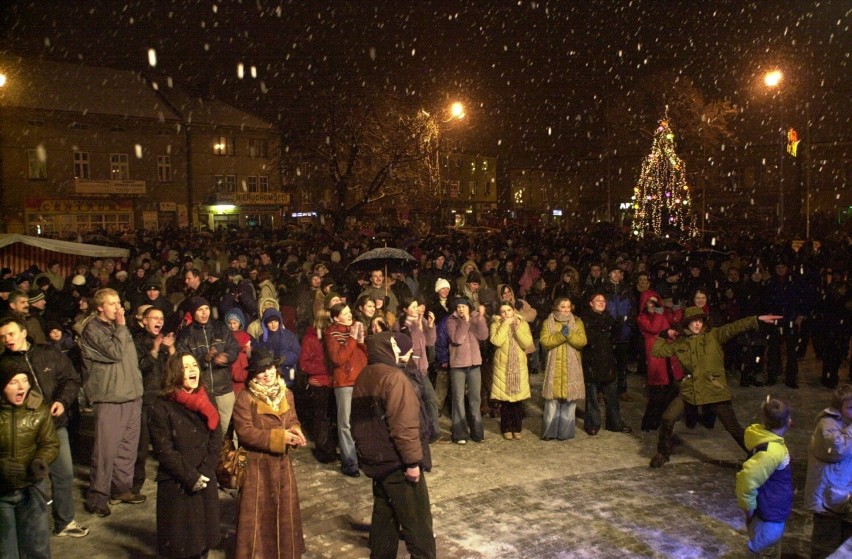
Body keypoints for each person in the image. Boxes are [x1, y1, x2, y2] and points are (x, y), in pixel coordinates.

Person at [649, 307, 782, 468]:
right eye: (694, 321)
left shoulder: (714, 335)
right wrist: (664, 335)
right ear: (687, 323)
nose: (697, 325)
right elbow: (657, 352)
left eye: (700, 321)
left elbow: (735, 327)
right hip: (691, 389)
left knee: (732, 426)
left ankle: (755, 454)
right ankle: (662, 452)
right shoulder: (681, 342)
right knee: (668, 417)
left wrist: (756, 319)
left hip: (714, 389)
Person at [0, 316, 88, 538]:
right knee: (33, 481)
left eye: (10, 334)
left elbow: (70, 378)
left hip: (55, 425)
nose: (7, 339)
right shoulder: (4, 365)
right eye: (2, 336)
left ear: (23, 332)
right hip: (25, 433)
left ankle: (65, 522)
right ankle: (33, 530)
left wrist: (62, 401)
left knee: (63, 474)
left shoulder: (47, 353)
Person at [351, 331, 436, 559]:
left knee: (384, 520)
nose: (404, 355)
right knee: (417, 525)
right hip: (398, 463)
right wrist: (412, 462)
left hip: (378, 463)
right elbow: (404, 427)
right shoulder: (394, 379)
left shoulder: (364, 376)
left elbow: (357, 424)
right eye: (399, 350)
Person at [233, 348, 307, 559]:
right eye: (261, 370)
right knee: (257, 519)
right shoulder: (246, 398)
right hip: (257, 470)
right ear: (253, 374)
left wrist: (295, 430)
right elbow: (245, 433)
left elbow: (292, 419)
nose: (267, 374)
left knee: (284, 517)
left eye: (270, 368)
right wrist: (278, 438)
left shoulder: (286, 394)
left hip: (282, 468)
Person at [147, 353, 222, 559]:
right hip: (178, 484)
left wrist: (206, 470)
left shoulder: (207, 398)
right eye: (185, 367)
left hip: (205, 480)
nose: (192, 370)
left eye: (194, 365)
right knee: (182, 546)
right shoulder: (160, 405)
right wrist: (191, 477)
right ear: (174, 373)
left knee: (203, 542)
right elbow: (164, 450)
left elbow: (216, 437)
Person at [79, 287, 145, 516]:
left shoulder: (119, 327)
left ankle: (121, 489)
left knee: (127, 448)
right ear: (100, 307)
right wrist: (121, 325)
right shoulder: (93, 330)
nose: (119, 308)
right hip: (109, 397)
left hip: (131, 394)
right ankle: (98, 498)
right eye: (112, 304)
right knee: (105, 452)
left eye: (119, 302)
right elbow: (115, 353)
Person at [0, 360, 59, 559]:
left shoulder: (39, 409)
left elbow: (50, 443)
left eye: (24, 381)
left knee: (38, 550)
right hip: (2, 494)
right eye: (13, 382)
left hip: (31, 491)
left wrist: (40, 460)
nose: (21, 387)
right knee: (7, 552)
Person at [735, 398, 793, 559]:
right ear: (789, 422)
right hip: (769, 511)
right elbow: (747, 480)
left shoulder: (767, 440)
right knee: (762, 545)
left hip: (770, 507)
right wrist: (749, 508)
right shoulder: (772, 451)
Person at [176, 297, 239, 435]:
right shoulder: (185, 334)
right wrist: (204, 359)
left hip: (224, 389)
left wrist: (227, 357)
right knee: (204, 431)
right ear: (193, 313)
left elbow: (234, 347)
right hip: (200, 390)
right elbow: (181, 360)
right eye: (200, 310)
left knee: (224, 431)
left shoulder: (221, 328)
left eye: (206, 309)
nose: (204, 313)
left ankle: (223, 455)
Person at [804, 384, 852, 559]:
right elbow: (836, 449)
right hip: (827, 497)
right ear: (838, 408)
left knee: (844, 545)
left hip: (843, 495)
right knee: (825, 545)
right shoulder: (827, 424)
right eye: (850, 408)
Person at [324, 302, 368, 476]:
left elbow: (362, 356)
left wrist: (361, 341)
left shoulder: (354, 329)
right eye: (345, 313)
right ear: (336, 317)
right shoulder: (331, 334)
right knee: (345, 424)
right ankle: (350, 463)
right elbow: (338, 358)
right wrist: (352, 338)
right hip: (344, 382)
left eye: (350, 312)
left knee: (360, 422)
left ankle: (362, 458)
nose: (350, 315)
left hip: (359, 381)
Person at [581, 293, 632, 435]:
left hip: (608, 360)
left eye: (603, 301)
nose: (602, 303)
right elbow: (589, 338)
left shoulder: (609, 318)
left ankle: (615, 423)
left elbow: (615, 336)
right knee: (592, 397)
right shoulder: (586, 318)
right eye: (598, 300)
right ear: (591, 303)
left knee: (612, 395)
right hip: (592, 360)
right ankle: (592, 424)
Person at [539, 296, 588, 440]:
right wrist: (561, 335)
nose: (566, 310)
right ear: (556, 307)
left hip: (571, 366)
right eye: (562, 306)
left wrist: (570, 334)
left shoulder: (577, 322)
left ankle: (565, 433)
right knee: (552, 402)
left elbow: (582, 341)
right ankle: (549, 432)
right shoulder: (548, 322)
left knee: (569, 401)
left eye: (568, 306)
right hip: (554, 366)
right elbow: (545, 342)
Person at [635, 290, 684, 432]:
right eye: (650, 302)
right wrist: (658, 311)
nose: (652, 304)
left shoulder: (661, 313)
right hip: (656, 356)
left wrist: (675, 306)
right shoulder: (642, 317)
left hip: (668, 355)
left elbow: (675, 319)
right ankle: (649, 423)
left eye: (655, 301)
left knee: (669, 391)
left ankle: (660, 422)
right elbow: (654, 327)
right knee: (657, 394)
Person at [446, 296, 489, 444]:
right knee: (458, 399)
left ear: (469, 307)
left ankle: (477, 432)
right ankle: (460, 433)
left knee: (475, 399)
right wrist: (465, 322)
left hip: (474, 364)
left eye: (463, 306)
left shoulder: (475, 318)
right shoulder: (451, 321)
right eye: (458, 307)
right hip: (458, 365)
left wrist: (481, 318)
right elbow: (458, 339)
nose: (460, 309)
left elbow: (483, 335)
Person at [489, 302, 533, 439]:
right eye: (503, 311)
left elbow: (526, 343)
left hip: (518, 366)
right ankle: (506, 427)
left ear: (513, 311)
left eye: (509, 310)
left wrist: (516, 328)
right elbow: (496, 341)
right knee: (505, 400)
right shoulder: (496, 324)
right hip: (503, 366)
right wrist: (505, 325)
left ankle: (517, 427)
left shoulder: (523, 324)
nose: (506, 313)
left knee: (517, 400)